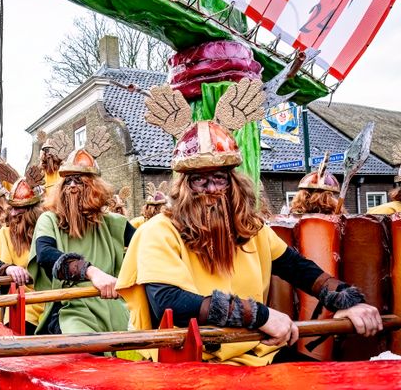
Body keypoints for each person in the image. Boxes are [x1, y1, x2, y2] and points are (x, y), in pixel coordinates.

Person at [116, 85, 381, 366]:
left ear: (233, 184)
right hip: (189, 361)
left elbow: (300, 269)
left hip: (254, 353)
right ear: (183, 186)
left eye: (218, 178)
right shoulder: (158, 231)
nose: (210, 189)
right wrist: (261, 315)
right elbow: (170, 304)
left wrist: (347, 300)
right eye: (198, 180)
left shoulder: (251, 228)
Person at [29, 128, 135, 336]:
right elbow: (45, 254)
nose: (72, 187)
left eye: (79, 181)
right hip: (70, 308)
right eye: (67, 181)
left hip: (112, 306)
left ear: (94, 188)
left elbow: (146, 245)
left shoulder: (115, 223)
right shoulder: (49, 219)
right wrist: (91, 271)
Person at [0, 166, 46, 334]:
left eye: (19, 209)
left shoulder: (49, 230)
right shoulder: (6, 233)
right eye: (12, 208)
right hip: (24, 302)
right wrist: (8, 268)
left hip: (54, 300)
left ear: (33, 211)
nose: (14, 214)